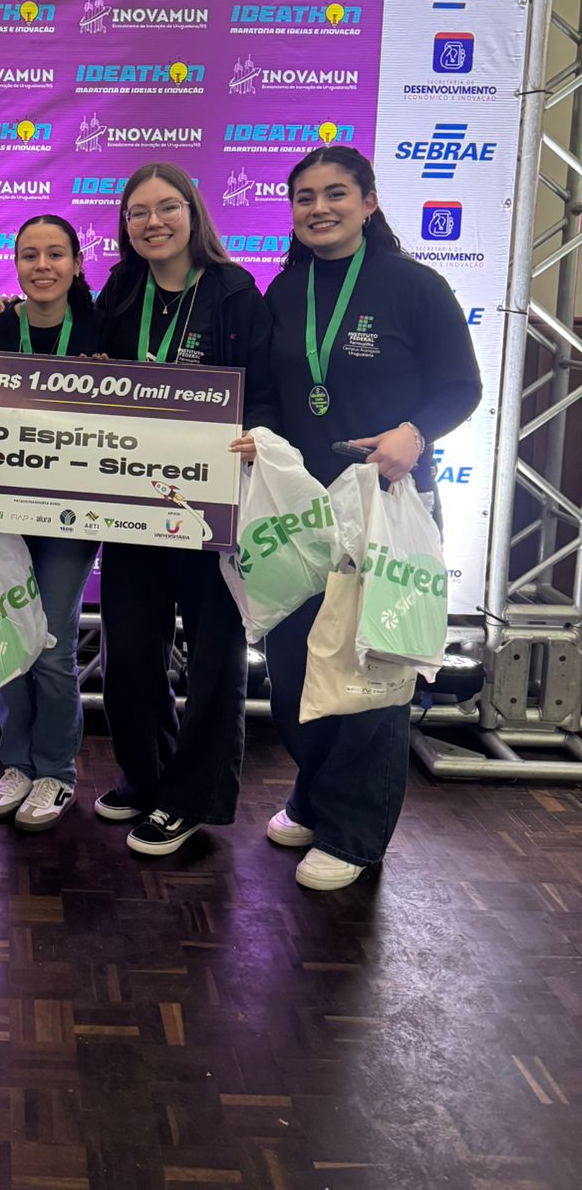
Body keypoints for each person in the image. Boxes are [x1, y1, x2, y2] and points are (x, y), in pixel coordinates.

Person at [236, 144, 481, 890]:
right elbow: (267, 391)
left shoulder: (416, 286)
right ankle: (315, 795)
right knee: (294, 668)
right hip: (303, 512)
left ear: (369, 203)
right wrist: (262, 439)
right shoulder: (284, 291)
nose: (320, 208)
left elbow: (461, 386)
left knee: (373, 672)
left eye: (336, 193)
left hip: (387, 501)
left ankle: (355, 832)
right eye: (305, 197)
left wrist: (415, 432)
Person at [94, 162, 277, 856]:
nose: (154, 222)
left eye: (167, 207)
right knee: (129, 654)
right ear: (125, 225)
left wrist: (256, 436)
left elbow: (263, 393)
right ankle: (145, 777)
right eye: (138, 212)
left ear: (194, 213)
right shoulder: (121, 289)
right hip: (132, 505)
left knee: (214, 660)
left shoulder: (234, 292)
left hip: (209, 507)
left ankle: (191, 798)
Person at [0, 215, 103, 831]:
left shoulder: (102, 330)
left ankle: (55, 770)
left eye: (56, 254)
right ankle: (17, 764)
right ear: (16, 265)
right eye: (29, 255)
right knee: (8, 644)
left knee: (51, 646)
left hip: (71, 515)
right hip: (4, 509)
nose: (43, 266)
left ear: (77, 264)